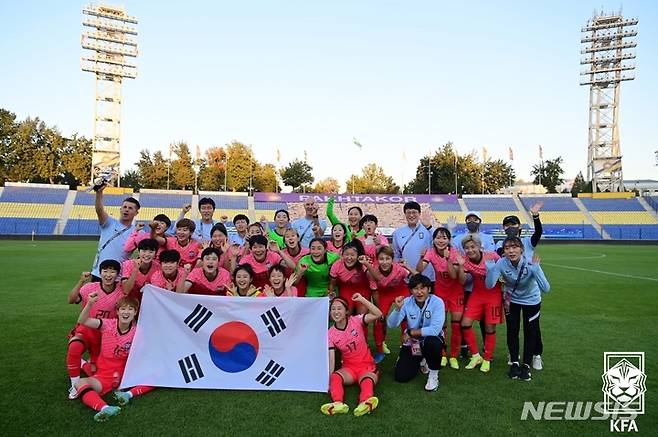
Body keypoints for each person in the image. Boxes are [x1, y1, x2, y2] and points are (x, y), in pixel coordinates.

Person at [74, 293, 153, 422]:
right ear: (117, 311)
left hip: (126, 375)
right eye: (123, 309)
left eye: (130, 309)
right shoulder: (107, 325)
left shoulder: (138, 332)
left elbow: (142, 354)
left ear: (135, 312)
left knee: (155, 375)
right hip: (104, 374)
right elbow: (83, 321)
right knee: (80, 383)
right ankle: (105, 408)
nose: (126, 312)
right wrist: (89, 303)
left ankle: (127, 394)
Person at [486, 236, 550, 382]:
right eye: (507, 248)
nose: (511, 251)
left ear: (521, 249)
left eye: (514, 247)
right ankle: (514, 362)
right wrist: (490, 268)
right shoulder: (502, 263)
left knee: (530, 332)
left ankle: (526, 365)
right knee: (512, 330)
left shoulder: (529, 262)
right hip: (512, 300)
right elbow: (489, 285)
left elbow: (546, 288)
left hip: (531, 301)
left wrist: (536, 270)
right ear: (504, 251)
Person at [495, 203, 546, 370]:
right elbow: (499, 265)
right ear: (503, 228)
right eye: (507, 225)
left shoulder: (527, 242)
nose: (510, 227)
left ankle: (536, 354)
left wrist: (535, 216)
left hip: (529, 288)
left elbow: (538, 232)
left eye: (513, 224)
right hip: (511, 292)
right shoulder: (500, 245)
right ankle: (514, 354)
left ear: (520, 227)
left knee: (533, 327)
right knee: (513, 327)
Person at [66, 260, 123, 399]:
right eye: (105, 271)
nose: (108, 275)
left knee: (97, 373)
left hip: (106, 336)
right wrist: (81, 281)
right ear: (100, 272)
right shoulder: (90, 287)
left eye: (112, 271)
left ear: (117, 274)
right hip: (87, 329)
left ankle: (84, 363)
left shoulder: (122, 291)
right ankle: (74, 385)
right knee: (74, 347)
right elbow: (71, 300)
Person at [322, 293, 382, 417]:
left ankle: (364, 403)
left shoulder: (356, 320)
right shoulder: (330, 333)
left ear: (346, 311)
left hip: (367, 367)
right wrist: (329, 380)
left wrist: (362, 299)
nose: (336, 312)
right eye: (333, 309)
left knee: (367, 381)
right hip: (349, 369)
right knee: (335, 377)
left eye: (339, 308)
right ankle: (338, 403)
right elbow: (331, 358)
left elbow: (378, 314)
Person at [415, 227, 464, 369]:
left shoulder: (454, 253)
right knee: (441, 326)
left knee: (456, 325)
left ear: (449, 240)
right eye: (438, 237)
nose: (441, 241)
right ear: (433, 239)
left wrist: (448, 258)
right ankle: (442, 354)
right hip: (441, 294)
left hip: (456, 293)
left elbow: (454, 276)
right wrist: (420, 257)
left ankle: (454, 356)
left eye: (444, 238)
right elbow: (419, 269)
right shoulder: (430, 252)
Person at [387, 274, 445, 391]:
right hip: (414, 343)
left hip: (431, 340)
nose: (419, 292)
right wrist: (397, 309)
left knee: (432, 342)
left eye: (422, 288)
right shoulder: (407, 302)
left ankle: (433, 375)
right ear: (411, 290)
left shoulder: (437, 302)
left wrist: (410, 332)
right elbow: (391, 324)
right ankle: (422, 359)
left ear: (429, 289)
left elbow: (434, 330)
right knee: (401, 376)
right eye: (415, 288)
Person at [456, 234, 501, 372]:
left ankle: (487, 358)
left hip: (493, 295)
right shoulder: (465, 260)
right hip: (477, 294)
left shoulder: (492, 256)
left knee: (489, 328)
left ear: (479, 246)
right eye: (466, 248)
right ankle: (476, 356)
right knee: (465, 323)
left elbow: (503, 269)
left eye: (472, 247)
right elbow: (462, 281)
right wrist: (461, 267)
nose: (470, 250)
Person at [372, 246, 412, 363]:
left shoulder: (399, 269)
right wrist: (378, 309)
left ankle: (405, 347)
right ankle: (380, 350)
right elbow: (374, 291)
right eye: (381, 259)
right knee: (379, 320)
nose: (384, 262)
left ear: (392, 259)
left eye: (387, 259)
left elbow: (413, 277)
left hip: (401, 291)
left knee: (406, 320)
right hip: (383, 294)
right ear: (377, 260)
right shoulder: (373, 271)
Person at [91, 185, 139, 281]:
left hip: (119, 276)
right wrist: (99, 193)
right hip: (99, 273)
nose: (126, 209)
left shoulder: (138, 232)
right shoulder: (109, 223)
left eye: (130, 208)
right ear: (120, 209)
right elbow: (99, 210)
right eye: (124, 207)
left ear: (136, 212)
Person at [328, 240, 381, 313]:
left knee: (361, 314)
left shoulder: (363, 263)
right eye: (346, 254)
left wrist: (367, 264)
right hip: (346, 288)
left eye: (352, 255)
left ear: (357, 256)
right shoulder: (337, 265)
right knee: (346, 312)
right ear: (342, 255)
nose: (349, 258)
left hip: (362, 289)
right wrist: (331, 292)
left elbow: (377, 278)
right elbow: (332, 283)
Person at [392, 201, 436, 282]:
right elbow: (396, 255)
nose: (411, 215)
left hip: (427, 276)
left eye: (414, 212)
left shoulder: (428, 230)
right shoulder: (398, 233)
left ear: (419, 214)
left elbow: (439, 242)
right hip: (407, 276)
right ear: (404, 214)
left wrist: (429, 227)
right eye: (408, 212)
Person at [232, 235, 296, 289]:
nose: (258, 250)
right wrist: (234, 257)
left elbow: (292, 267)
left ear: (266, 247)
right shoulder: (246, 259)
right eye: (255, 247)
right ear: (250, 249)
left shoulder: (273, 255)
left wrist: (279, 251)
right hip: (254, 293)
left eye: (261, 247)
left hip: (272, 292)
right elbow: (234, 275)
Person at [121, 238, 159, 302]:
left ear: (155, 254)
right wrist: (135, 270)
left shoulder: (158, 267)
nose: (147, 254)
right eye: (144, 251)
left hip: (148, 302)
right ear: (139, 252)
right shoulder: (128, 264)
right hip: (129, 302)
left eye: (151, 252)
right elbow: (126, 290)